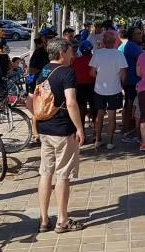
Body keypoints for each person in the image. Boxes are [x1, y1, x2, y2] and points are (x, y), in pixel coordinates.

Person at [36, 38, 84, 233]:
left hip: (45, 128)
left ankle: (44, 219)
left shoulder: (43, 71)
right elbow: (71, 102)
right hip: (63, 129)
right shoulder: (67, 72)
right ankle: (62, 220)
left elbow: (34, 99)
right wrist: (79, 127)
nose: (73, 55)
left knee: (45, 173)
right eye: (71, 52)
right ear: (62, 53)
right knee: (63, 174)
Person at [89, 29, 127, 150]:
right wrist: (121, 84)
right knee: (112, 116)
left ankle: (98, 139)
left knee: (99, 115)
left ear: (103, 42)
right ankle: (110, 141)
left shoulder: (97, 54)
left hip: (99, 89)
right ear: (115, 41)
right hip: (114, 89)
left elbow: (91, 73)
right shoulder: (119, 55)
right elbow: (123, 75)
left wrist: (100, 77)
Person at [119, 26, 143, 144]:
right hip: (133, 81)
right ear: (132, 35)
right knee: (131, 106)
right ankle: (130, 130)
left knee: (129, 105)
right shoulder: (133, 47)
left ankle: (128, 128)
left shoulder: (129, 46)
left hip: (130, 80)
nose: (141, 35)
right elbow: (144, 60)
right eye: (138, 33)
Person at [73, 40, 96, 132]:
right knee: (94, 109)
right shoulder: (94, 60)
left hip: (80, 87)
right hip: (92, 86)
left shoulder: (75, 61)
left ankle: (81, 131)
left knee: (81, 110)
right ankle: (95, 132)